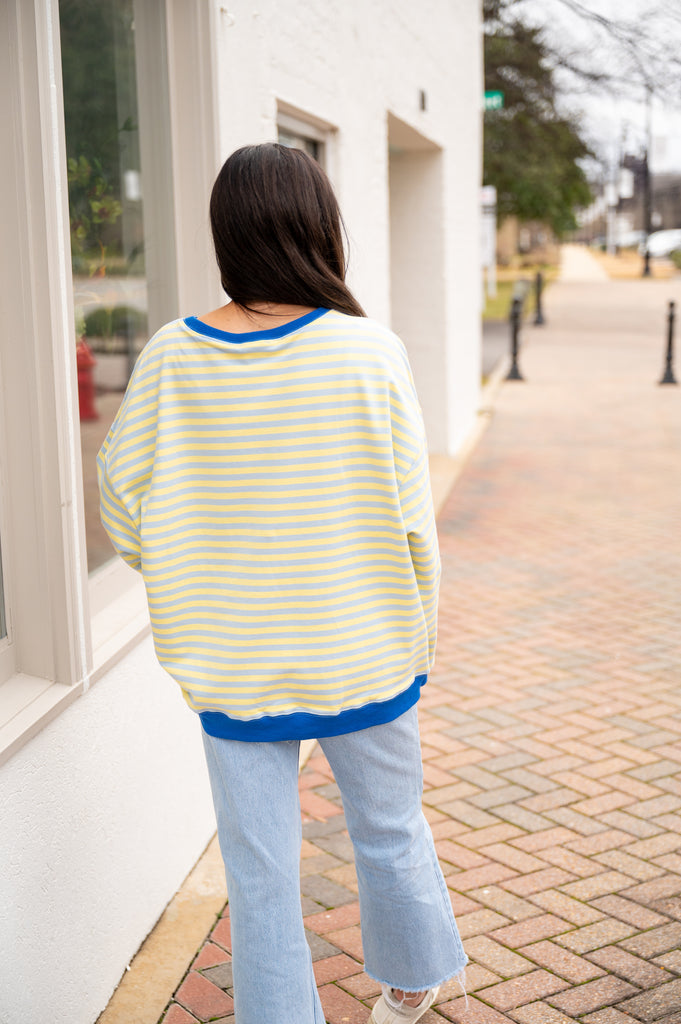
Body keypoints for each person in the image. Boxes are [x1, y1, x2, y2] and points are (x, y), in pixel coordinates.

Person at [97, 143, 467, 1024]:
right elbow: (413, 517)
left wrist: (191, 570)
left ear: (227, 233)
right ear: (319, 228)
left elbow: (120, 498)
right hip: (364, 649)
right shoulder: (369, 352)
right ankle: (410, 983)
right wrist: (418, 636)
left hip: (230, 659)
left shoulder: (169, 358)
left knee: (257, 874)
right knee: (387, 830)